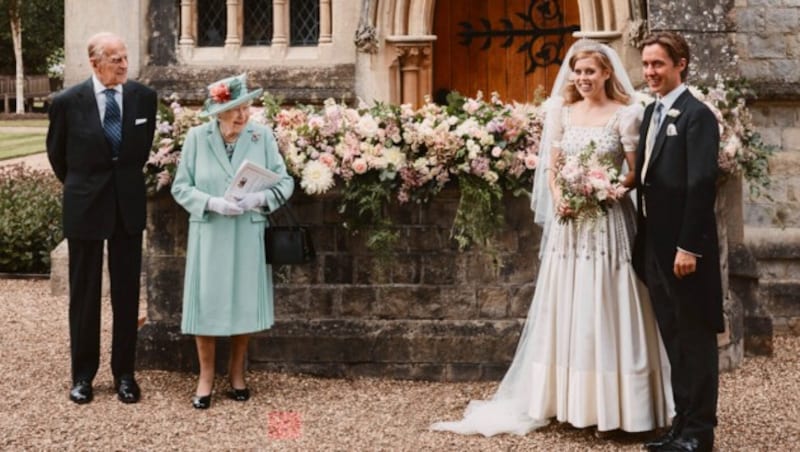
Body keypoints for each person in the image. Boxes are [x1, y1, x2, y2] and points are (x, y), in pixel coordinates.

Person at [431, 40, 673, 436]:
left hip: (607, 222)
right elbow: (551, 167)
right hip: (570, 225)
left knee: (609, 300)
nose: (582, 78)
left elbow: (634, 172)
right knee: (570, 301)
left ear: (607, 73)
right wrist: (562, 197)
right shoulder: (562, 111)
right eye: (578, 72)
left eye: (590, 72)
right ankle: (567, 401)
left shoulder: (626, 114)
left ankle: (622, 407)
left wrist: (606, 189)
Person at [170, 73, 294, 409]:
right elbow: (180, 187)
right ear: (217, 111)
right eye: (235, 108)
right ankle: (206, 377)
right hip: (209, 230)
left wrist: (258, 200)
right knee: (206, 303)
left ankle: (237, 373)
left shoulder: (261, 136)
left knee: (242, 301)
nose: (243, 115)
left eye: (246, 106)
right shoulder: (197, 138)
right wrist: (211, 203)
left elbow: (285, 184)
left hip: (246, 230)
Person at [46, 32, 157, 405]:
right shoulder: (66, 102)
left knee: (126, 295)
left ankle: (125, 374)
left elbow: (138, 155)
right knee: (85, 294)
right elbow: (58, 157)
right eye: (116, 59)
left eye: (125, 58)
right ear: (94, 63)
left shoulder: (145, 98)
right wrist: (86, 188)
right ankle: (82, 376)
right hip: (84, 205)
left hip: (127, 207)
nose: (124, 65)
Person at [633, 32, 722, 452]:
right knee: (674, 340)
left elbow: (702, 185)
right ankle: (680, 425)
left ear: (680, 64)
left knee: (695, 340)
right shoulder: (652, 112)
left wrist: (689, 247)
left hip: (686, 252)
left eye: (658, 65)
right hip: (655, 247)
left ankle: (699, 435)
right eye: (646, 64)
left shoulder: (696, 115)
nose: (650, 72)